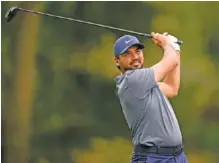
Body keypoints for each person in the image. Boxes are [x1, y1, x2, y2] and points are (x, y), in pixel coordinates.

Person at [113, 32, 188, 163]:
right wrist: (168, 44)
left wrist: (175, 49)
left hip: (176, 156)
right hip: (153, 158)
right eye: (127, 54)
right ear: (117, 61)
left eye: (138, 52)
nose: (135, 57)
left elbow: (172, 88)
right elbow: (171, 61)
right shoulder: (133, 80)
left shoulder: (144, 83)